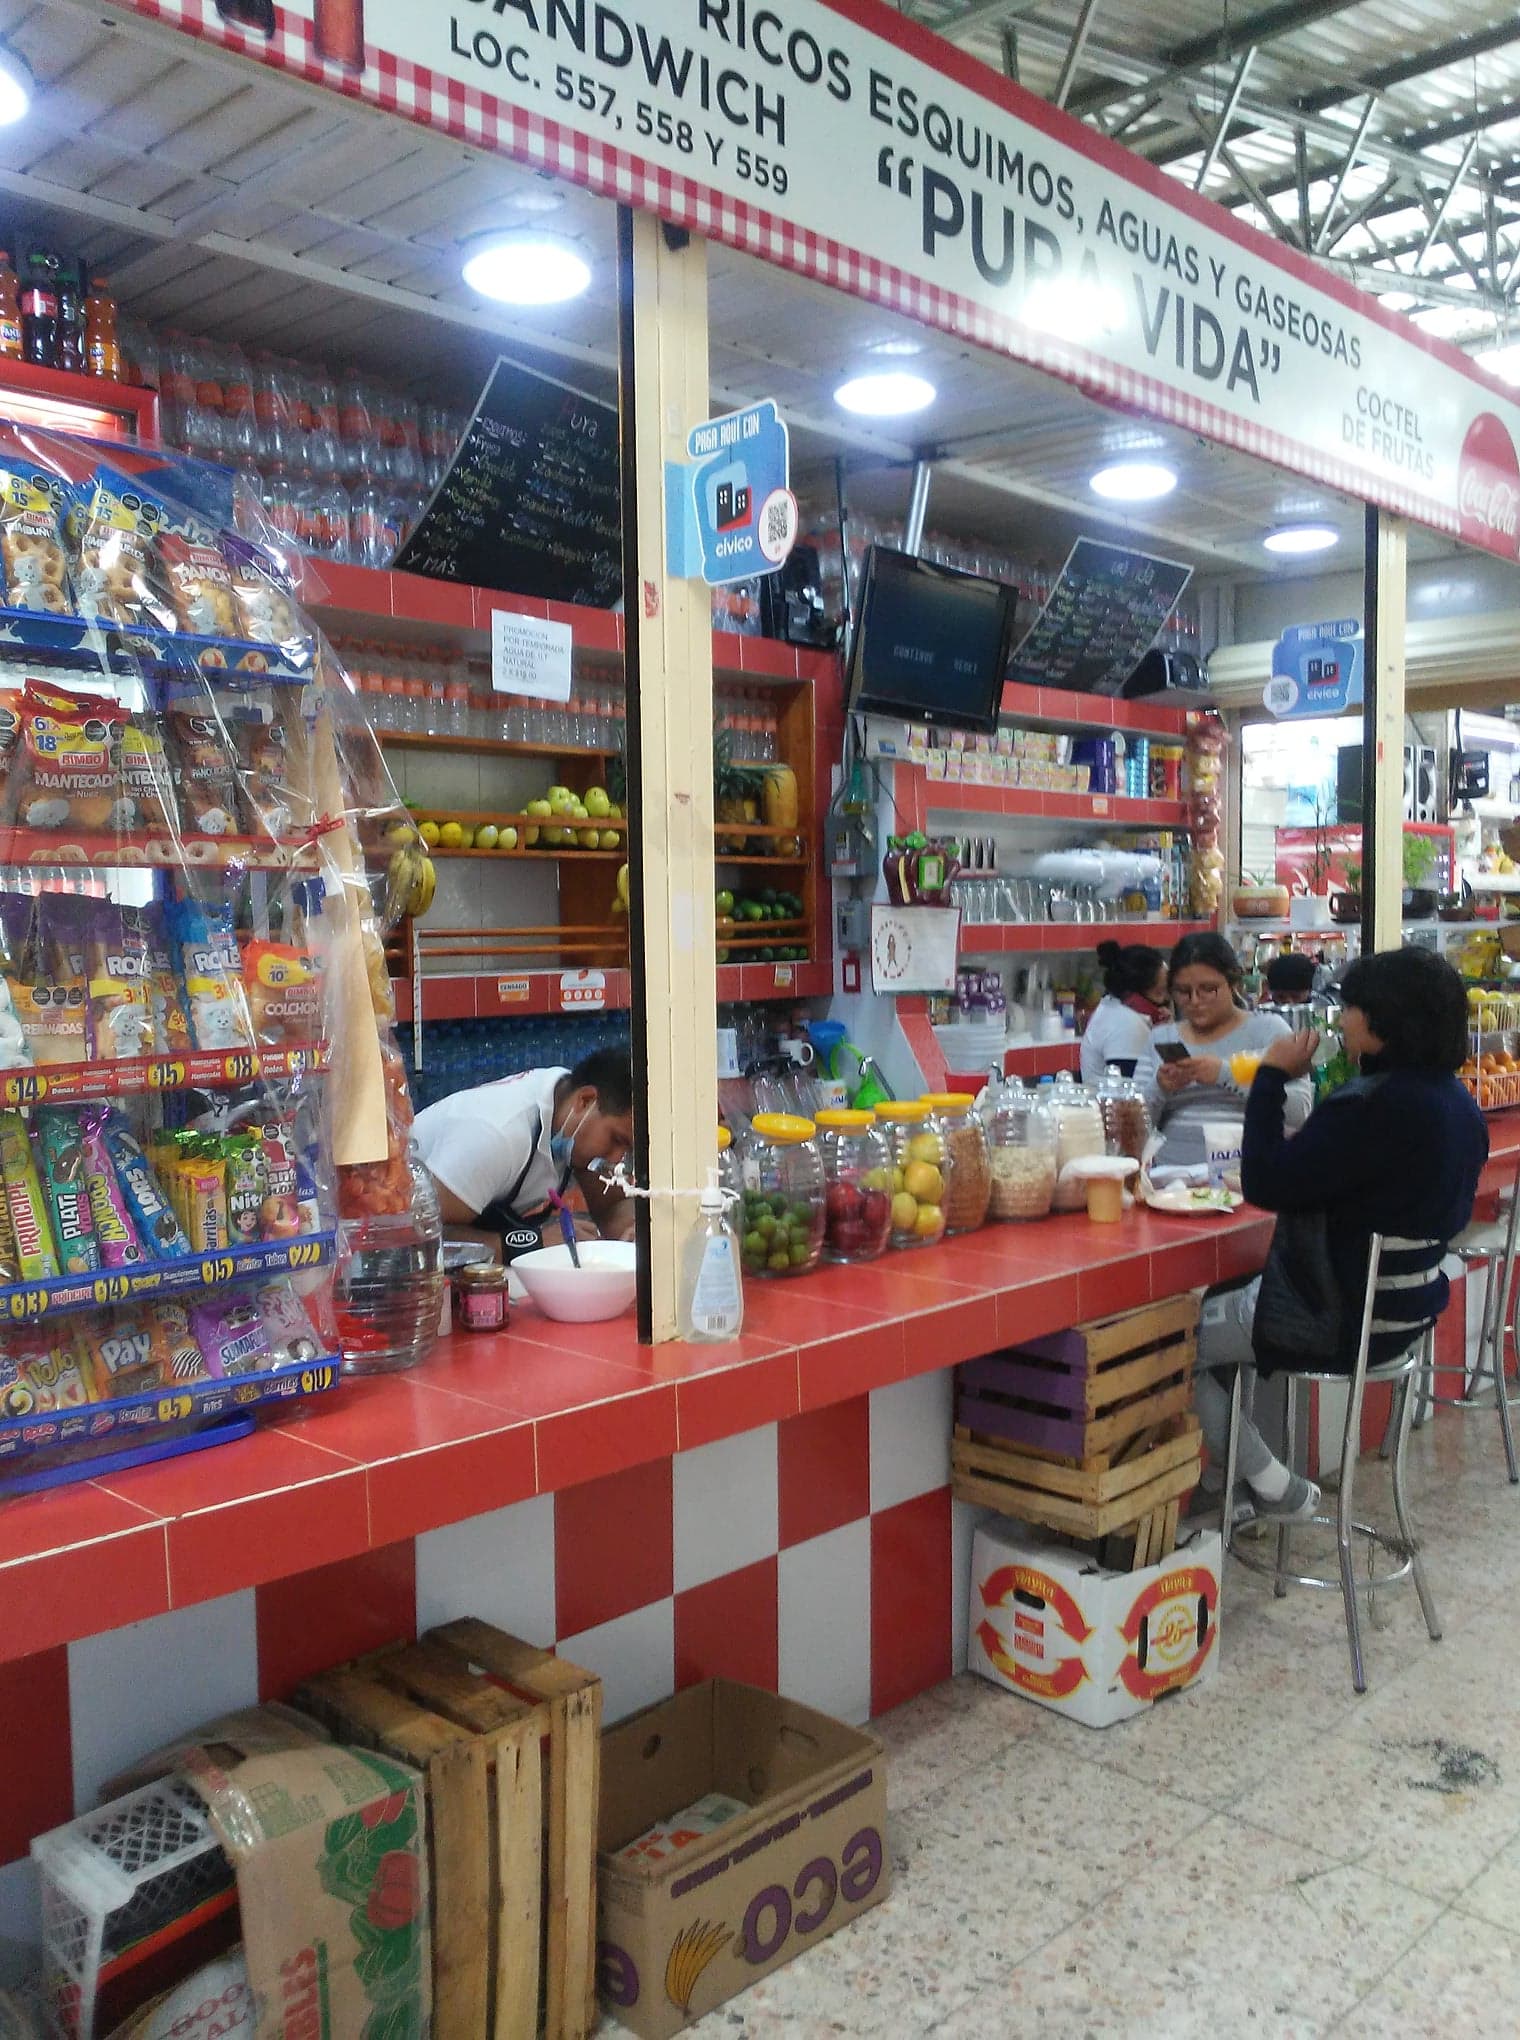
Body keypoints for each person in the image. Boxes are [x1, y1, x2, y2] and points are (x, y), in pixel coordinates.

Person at [1196, 947, 1488, 1521]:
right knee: (1229, 1311)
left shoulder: (1366, 1108)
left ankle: (1270, 1483)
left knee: (1171, 1345)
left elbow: (1265, 1181)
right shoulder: (1460, 1106)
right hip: (1402, 1320)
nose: (1341, 1020)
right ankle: (1233, 1482)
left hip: (1332, 1320)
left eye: (1350, 1008)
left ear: (1382, 1020)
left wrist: (1272, 1076)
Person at [414, 1048, 635, 1247]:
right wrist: (532, 1242)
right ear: (585, 1101)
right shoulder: (497, 1135)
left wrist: (633, 1232)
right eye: (616, 1140)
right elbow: (421, 1238)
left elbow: (612, 1206)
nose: (616, 1158)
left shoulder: (573, 1118)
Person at [1136, 930, 1313, 1169]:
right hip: (1172, 1178)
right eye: (1183, 992)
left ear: (1233, 984)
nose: (1195, 1001)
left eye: (1208, 989)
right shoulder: (1162, 1038)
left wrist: (1226, 1074)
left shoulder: (1268, 1031)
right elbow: (1134, 1127)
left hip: (1249, 1175)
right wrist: (1160, 1088)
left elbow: (1299, 1111)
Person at [1080, 942, 1169, 1084]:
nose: (1164, 1001)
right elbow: (1131, 1091)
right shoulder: (1127, 1024)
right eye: (1159, 993)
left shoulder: (1111, 1007)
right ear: (1134, 995)